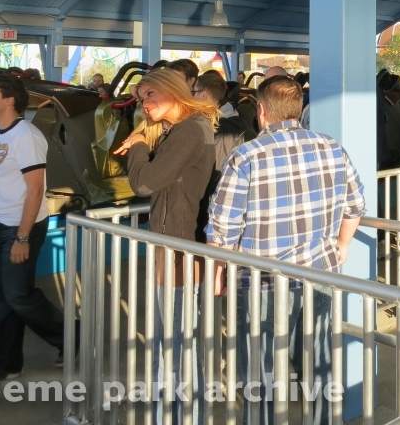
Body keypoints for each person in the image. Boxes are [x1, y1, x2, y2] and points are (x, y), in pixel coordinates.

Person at [207, 76, 366, 425]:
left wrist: (218, 272)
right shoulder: (331, 147)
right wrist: (341, 247)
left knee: (258, 373)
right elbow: (355, 206)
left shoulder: (245, 156)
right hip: (318, 274)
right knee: (318, 364)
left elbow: (222, 229)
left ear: (261, 111)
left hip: (260, 282)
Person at [114, 68, 217, 425]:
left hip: (177, 246)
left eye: (151, 95)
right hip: (174, 242)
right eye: (142, 98)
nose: (145, 104)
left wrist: (139, 145)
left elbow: (145, 183)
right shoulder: (188, 129)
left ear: (174, 92)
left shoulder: (189, 130)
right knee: (174, 339)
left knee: (174, 342)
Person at [0, 74, 66, 382]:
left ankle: (71, 336)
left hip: (20, 229)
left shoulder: (25, 135)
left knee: (17, 297)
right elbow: (0, 180)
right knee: (6, 299)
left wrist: (23, 236)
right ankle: (6, 365)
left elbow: (36, 189)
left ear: (9, 100)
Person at [192, 70, 258, 240]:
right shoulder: (243, 125)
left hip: (210, 213)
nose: (191, 97)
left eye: (194, 93)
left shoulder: (210, 129)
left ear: (204, 95)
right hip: (239, 214)